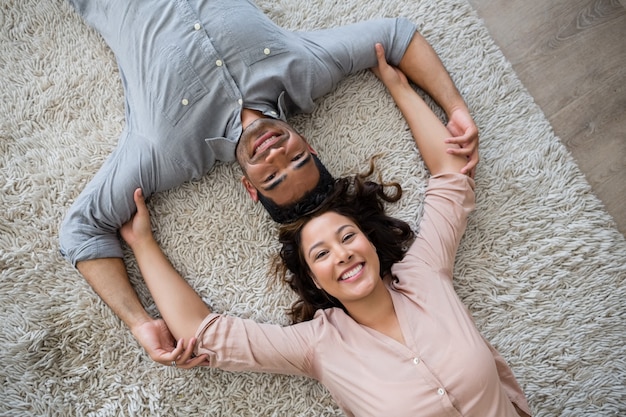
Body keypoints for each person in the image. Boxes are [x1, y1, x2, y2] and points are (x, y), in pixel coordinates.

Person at [59, 0, 479, 367]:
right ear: (310, 145)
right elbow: (396, 35)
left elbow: (82, 229)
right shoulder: (306, 70)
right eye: (297, 158)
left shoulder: (166, 153)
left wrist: (139, 322)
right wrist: (455, 108)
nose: (275, 152)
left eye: (273, 175)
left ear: (249, 187)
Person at [118, 45, 531, 416]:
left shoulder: (423, 277)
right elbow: (204, 334)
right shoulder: (321, 346)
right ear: (314, 279)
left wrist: (399, 86)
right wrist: (142, 243)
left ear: (369, 242)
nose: (343, 254)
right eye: (321, 254)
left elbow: (452, 175)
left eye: (348, 237)